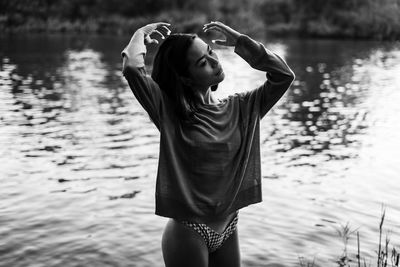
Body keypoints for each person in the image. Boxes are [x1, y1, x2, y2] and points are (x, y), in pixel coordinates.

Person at [122, 21, 295, 267]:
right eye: (202, 63)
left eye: (211, 53)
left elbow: (283, 76)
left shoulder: (242, 108)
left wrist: (242, 44)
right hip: (189, 232)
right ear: (186, 79)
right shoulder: (171, 113)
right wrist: (139, 36)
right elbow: (132, 68)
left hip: (229, 226)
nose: (214, 62)